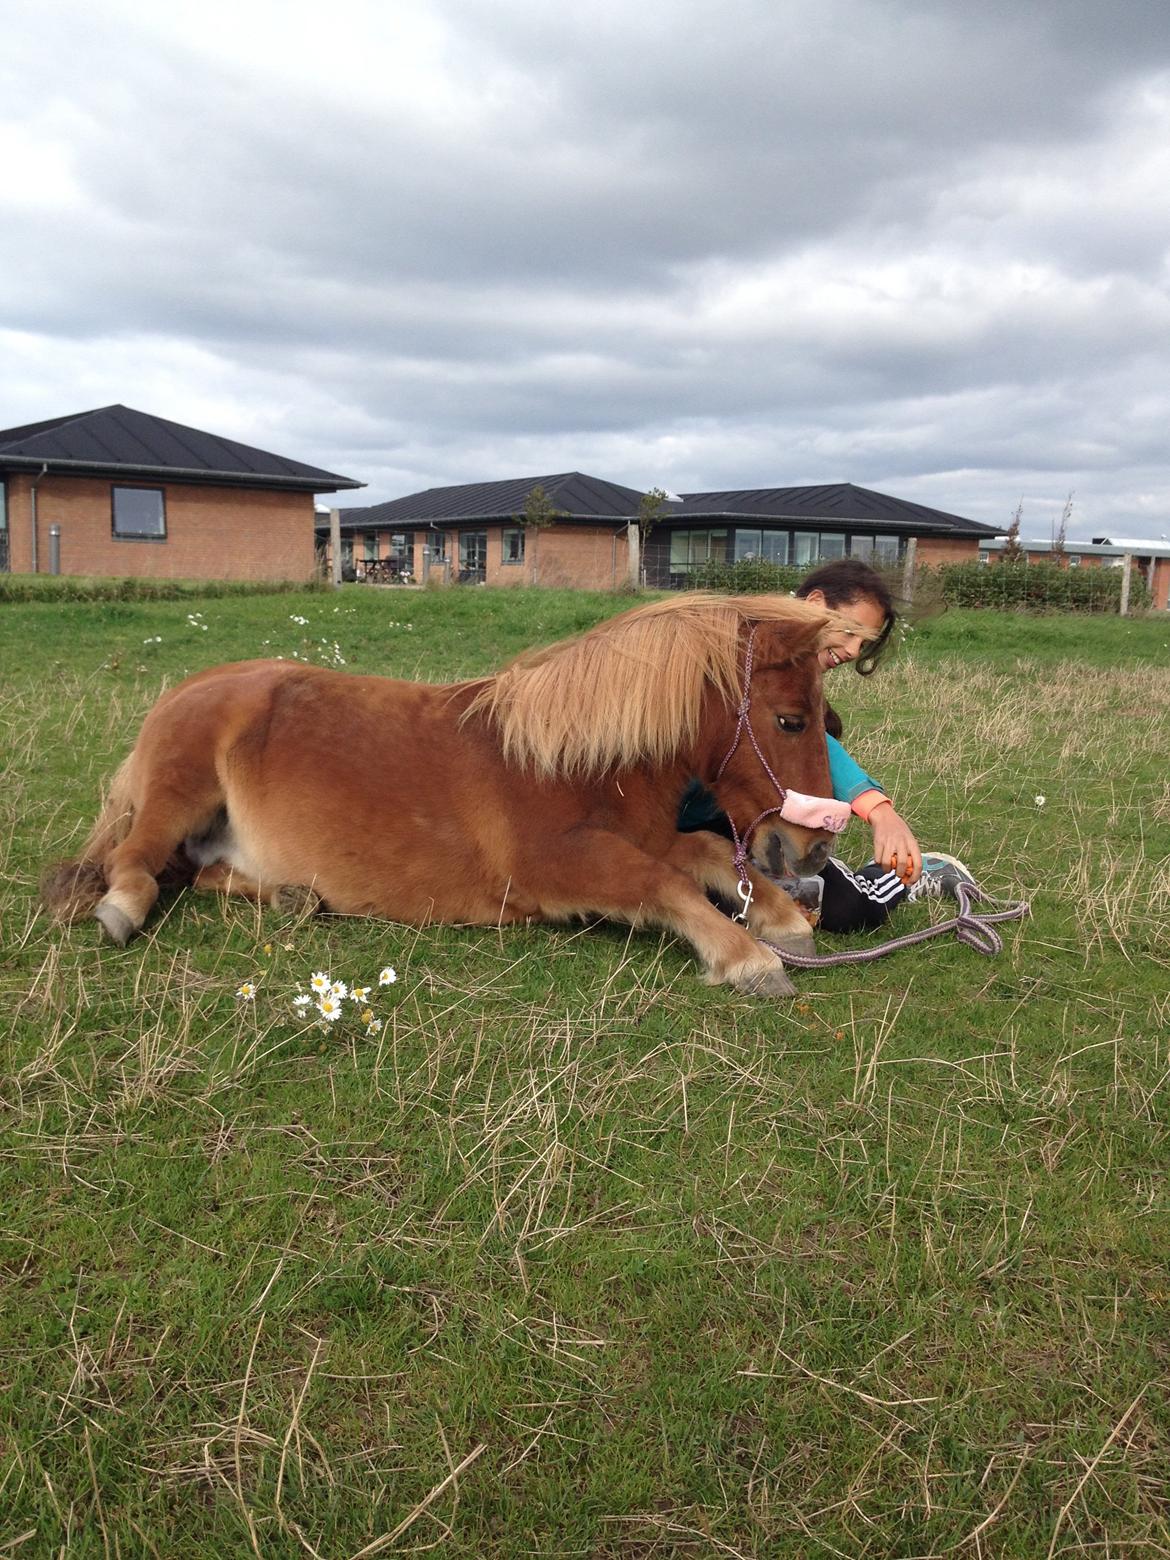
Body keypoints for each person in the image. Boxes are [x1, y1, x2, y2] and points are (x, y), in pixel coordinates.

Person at [679, 557, 973, 934]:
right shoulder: (743, 653)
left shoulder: (789, 675)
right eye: (850, 631)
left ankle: (907, 876)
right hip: (671, 825)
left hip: (733, 820)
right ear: (815, 604)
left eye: (862, 643)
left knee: (843, 910)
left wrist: (881, 812)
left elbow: (815, 744)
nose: (853, 651)